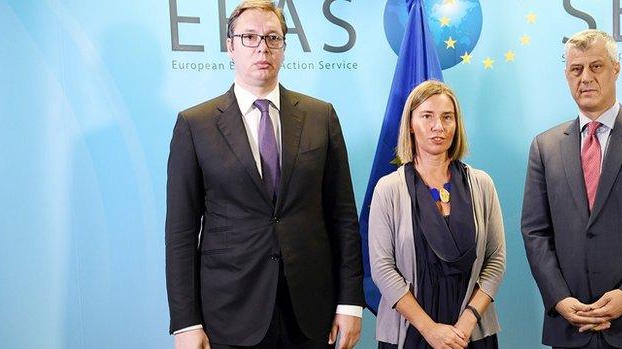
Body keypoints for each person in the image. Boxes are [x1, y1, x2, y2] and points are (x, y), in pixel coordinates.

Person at [165, 1, 364, 348]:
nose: (263, 47)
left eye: (273, 37)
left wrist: (350, 303)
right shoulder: (195, 125)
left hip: (310, 313)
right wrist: (186, 323)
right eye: (250, 37)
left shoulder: (321, 117)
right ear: (230, 46)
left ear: (285, 46)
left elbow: (344, 218)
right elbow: (181, 233)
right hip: (229, 314)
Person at [521, 29, 622, 349]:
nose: (585, 77)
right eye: (576, 69)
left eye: (596, 66)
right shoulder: (545, 146)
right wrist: (558, 299)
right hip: (571, 326)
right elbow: (534, 232)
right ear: (566, 75)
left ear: (616, 69)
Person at [369, 80, 506, 349]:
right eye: (427, 116)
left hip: (471, 334)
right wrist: (430, 330)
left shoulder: (482, 184)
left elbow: (496, 262)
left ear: (457, 124)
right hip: (410, 333)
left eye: (447, 117)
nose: (438, 127)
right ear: (410, 123)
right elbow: (383, 269)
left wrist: (466, 324)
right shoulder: (388, 189)